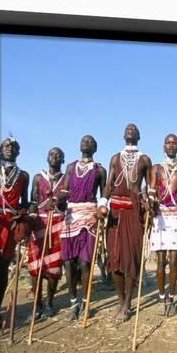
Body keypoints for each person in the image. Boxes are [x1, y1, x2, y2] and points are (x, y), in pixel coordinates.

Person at [97, 123, 152, 322]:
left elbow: (151, 186)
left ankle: (128, 303)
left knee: (131, 259)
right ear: (123, 135)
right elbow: (109, 185)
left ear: (139, 135)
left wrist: (149, 202)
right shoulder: (114, 158)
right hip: (115, 213)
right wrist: (102, 204)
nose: (130, 130)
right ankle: (120, 300)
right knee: (115, 259)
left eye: (134, 129)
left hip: (133, 213)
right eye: (127, 128)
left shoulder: (145, 159)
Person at [59, 135, 107, 320]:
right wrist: (58, 201)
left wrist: (102, 209)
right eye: (83, 140)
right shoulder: (71, 168)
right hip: (71, 217)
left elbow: (104, 196)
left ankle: (86, 303)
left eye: (90, 141)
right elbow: (64, 191)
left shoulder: (100, 170)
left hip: (89, 216)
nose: (86, 142)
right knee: (69, 263)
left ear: (95, 148)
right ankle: (73, 303)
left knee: (85, 262)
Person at [148, 134, 177, 317]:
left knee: (173, 261)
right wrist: (149, 204)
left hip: (176, 216)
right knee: (160, 261)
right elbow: (151, 191)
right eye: (168, 143)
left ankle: (171, 299)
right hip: (160, 216)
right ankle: (161, 298)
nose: (171, 145)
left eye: (174, 143)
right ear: (163, 147)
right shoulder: (156, 168)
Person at [26, 147, 66, 320]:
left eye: (58, 155)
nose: (55, 156)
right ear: (47, 158)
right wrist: (33, 214)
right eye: (52, 154)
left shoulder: (65, 179)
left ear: (63, 160)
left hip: (58, 222)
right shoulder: (37, 178)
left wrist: (56, 202)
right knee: (36, 266)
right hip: (39, 223)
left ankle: (49, 302)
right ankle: (37, 305)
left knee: (54, 266)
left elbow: (66, 200)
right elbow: (32, 202)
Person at [0, 136, 30, 322]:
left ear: (18, 152)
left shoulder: (23, 175)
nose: (10, 148)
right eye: (6, 145)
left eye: (14, 146)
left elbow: (23, 203)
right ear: (0, 148)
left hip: (10, 224)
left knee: (2, 267)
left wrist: (25, 212)